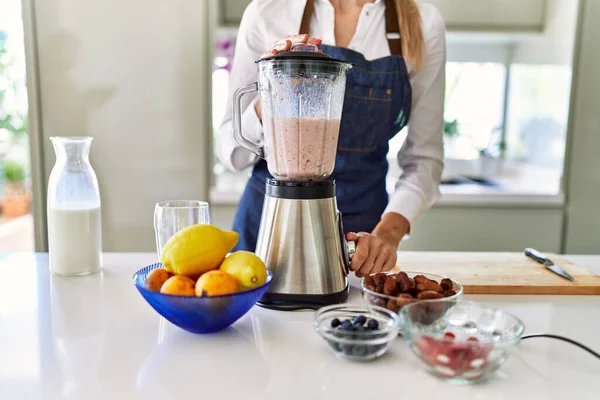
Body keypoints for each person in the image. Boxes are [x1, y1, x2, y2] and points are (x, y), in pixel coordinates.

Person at [217, 0, 445, 277]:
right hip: (268, 225)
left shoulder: (423, 21)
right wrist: (273, 88)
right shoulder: (269, 11)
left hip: (362, 238)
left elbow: (425, 159)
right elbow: (232, 153)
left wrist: (387, 236)